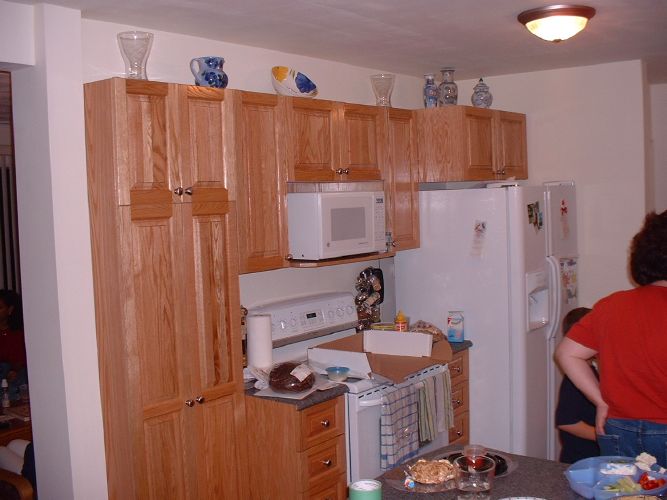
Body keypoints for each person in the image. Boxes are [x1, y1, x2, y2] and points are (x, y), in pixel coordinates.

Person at [555, 210, 667, 465]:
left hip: (618, 427)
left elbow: (566, 353)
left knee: (623, 486)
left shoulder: (612, 305)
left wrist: (601, 401)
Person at [555, 306, 599, 463]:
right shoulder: (574, 380)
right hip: (580, 459)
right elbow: (567, 422)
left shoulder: (589, 371)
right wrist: (602, 436)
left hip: (589, 457)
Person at [0, 289, 27, 401]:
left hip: (14, 374)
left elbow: (20, 360)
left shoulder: (18, 333)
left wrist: (13, 370)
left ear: (10, 309)